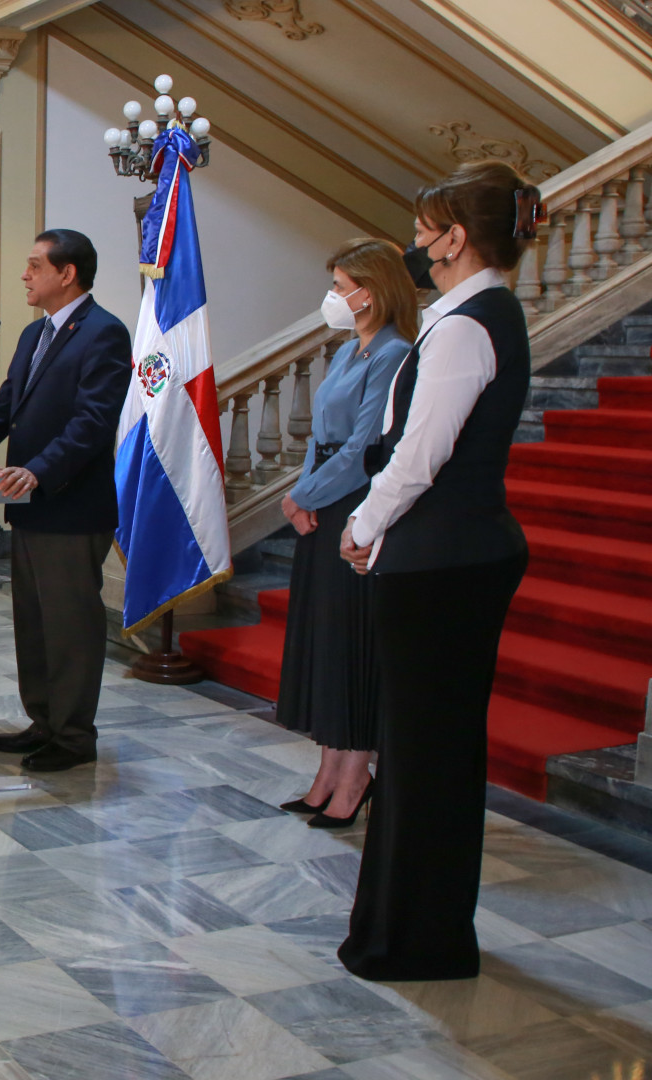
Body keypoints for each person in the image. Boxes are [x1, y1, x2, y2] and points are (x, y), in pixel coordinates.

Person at [337, 161, 540, 983]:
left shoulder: (465, 326)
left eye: (423, 231)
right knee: (428, 750)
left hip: (444, 561)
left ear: (455, 239)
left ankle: (417, 939)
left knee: (425, 755)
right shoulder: (475, 313)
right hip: (452, 554)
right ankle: (418, 929)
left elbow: (420, 455)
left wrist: (362, 524)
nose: (414, 245)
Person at [0, 229, 131, 773]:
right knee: (33, 623)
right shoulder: (36, 333)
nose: (25, 275)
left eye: (35, 265)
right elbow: (4, 408)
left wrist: (39, 470)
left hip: (71, 506)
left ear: (67, 273)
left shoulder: (104, 332)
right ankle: (43, 721)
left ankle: (74, 737)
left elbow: (92, 423)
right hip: (29, 504)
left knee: (69, 627)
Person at [274, 239, 417, 829]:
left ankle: (356, 775)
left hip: (355, 508)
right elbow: (319, 437)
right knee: (325, 642)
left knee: (351, 643)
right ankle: (328, 770)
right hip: (321, 503)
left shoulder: (393, 352)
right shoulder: (348, 349)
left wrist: (305, 496)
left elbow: (364, 449)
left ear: (371, 291)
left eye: (339, 286)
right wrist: (299, 495)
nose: (331, 296)